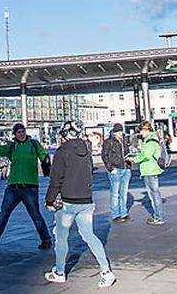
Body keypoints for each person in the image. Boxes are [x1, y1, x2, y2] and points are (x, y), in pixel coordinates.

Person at [44, 121, 116, 287]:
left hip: (68, 202)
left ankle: (60, 272)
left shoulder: (62, 152)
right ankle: (106, 271)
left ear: (64, 135)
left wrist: (49, 200)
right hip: (86, 200)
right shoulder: (86, 151)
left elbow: (56, 179)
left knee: (61, 237)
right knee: (89, 235)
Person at [0, 123, 53, 251]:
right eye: (19, 132)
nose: (22, 134)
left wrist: (47, 166)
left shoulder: (34, 144)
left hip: (30, 187)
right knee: (3, 214)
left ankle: (46, 239)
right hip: (13, 187)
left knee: (35, 215)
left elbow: (44, 156)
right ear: (15, 134)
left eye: (23, 131)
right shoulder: (11, 146)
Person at [131, 121, 167, 226]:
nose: (140, 133)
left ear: (146, 130)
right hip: (150, 169)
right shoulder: (150, 139)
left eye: (141, 131)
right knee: (154, 193)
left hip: (150, 169)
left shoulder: (150, 141)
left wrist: (134, 159)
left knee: (154, 194)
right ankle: (158, 216)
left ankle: (158, 217)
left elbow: (146, 155)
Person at [102, 123, 132, 223]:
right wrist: (110, 168)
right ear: (114, 132)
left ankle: (124, 213)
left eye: (120, 131)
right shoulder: (109, 142)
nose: (120, 133)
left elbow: (127, 153)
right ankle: (116, 214)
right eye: (118, 132)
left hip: (125, 169)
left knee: (123, 193)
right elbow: (104, 155)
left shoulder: (124, 141)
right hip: (116, 169)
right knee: (115, 193)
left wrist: (128, 166)